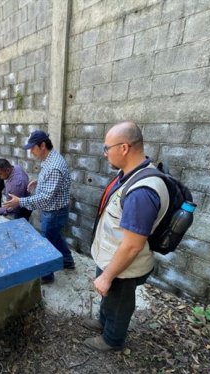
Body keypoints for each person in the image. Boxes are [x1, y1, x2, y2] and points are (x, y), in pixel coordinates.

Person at [82, 121, 169, 352]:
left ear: (123, 148)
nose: (104, 153)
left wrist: (108, 276)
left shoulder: (141, 192)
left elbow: (132, 246)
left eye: (106, 148)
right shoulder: (129, 175)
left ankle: (112, 339)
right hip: (112, 258)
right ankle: (103, 321)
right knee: (109, 296)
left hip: (124, 266)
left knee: (120, 302)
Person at [3, 130, 75, 283]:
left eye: (33, 148)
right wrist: (38, 181)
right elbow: (52, 183)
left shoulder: (54, 166)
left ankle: (46, 276)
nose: (31, 152)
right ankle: (67, 261)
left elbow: (45, 199)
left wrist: (20, 201)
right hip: (55, 209)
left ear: (43, 145)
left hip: (53, 211)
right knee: (56, 237)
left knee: (45, 244)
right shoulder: (50, 159)